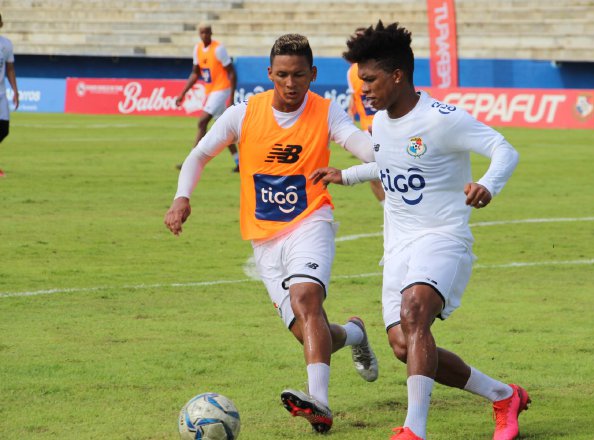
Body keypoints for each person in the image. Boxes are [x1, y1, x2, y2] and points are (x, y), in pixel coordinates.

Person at [311, 22, 527, 440]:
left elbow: (505, 148)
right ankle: (503, 395)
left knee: (414, 312)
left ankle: (414, 430)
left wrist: (487, 184)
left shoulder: (442, 119)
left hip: (443, 236)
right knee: (404, 347)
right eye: (360, 82)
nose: (363, 90)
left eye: (369, 80)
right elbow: (392, 165)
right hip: (397, 247)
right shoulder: (382, 125)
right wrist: (348, 176)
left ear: (397, 75)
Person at [164, 33, 379, 434]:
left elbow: (361, 145)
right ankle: (354, 334)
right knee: (307, 331)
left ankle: (321, 404)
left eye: (299, 75)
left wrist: (386, 150)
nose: (291, 83)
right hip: (264, 239)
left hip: (311, 221)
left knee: (306, 298)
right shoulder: (243, 113)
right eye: (282, 75)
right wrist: (182, 198)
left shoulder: (326, 112)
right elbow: (199, 155)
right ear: (269, 74)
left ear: (313, 74)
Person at [175, 23, 239, 172]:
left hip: (221, 89)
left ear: (211, 33)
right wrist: (182, 93)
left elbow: (232, 72)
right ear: (199, 34)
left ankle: (191, 162)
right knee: (224, 129)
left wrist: (232, 96)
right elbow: (195, 73)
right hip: (211, 91)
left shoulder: (219, 49)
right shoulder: (197, 49)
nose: (205, 35)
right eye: (202, 33)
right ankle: (239, 162)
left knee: (202, 121)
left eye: (207, 33)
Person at [346, 30, 385, 205]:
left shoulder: (384, 64)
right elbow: (354, 94)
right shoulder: (351, 71)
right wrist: (349, 110)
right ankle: (388, 210)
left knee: (399, 170)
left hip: (389, 126)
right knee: (373, 174)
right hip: (367, 129)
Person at [0, 13, 19, 178]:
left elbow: (10, 69)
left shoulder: (6, 45)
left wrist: (15, 90)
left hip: (1, 94)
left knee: (4, 130)